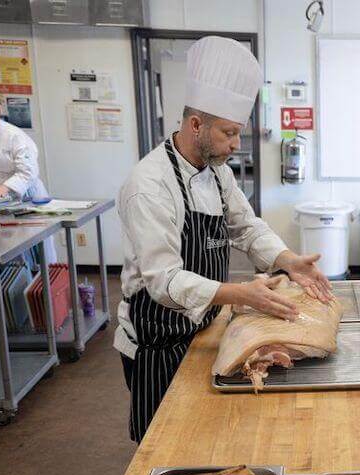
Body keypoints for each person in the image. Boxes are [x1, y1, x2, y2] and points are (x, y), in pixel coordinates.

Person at [115, 36, 332, 443]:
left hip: (203, 328)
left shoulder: (218, 172)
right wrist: (241, 294)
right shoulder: (149, 185)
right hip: (157, 340)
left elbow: (247, 227)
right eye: (229, 133)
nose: (236, 145)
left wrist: (287, 259)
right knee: (164, 446)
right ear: (195, 124)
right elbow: (163, 280)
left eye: (238, 133)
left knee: (206, 435)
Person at [0, 90, 57, 262]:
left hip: (28, 198)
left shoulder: (14, 136)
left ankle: (42, 286)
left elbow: (28, 171)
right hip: (0, 203)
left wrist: (5, 187)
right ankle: (14, 286)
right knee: (8, 249)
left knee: (37, 250)